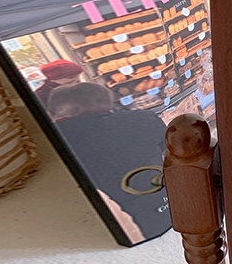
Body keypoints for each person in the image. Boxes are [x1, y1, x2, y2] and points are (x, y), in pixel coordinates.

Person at [48, 82, 171, 241]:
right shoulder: (142, 119)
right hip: (169, 205)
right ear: (107, 103)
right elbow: (171, 153)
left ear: (55, 113)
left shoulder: (53, 145)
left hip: (114, 228)